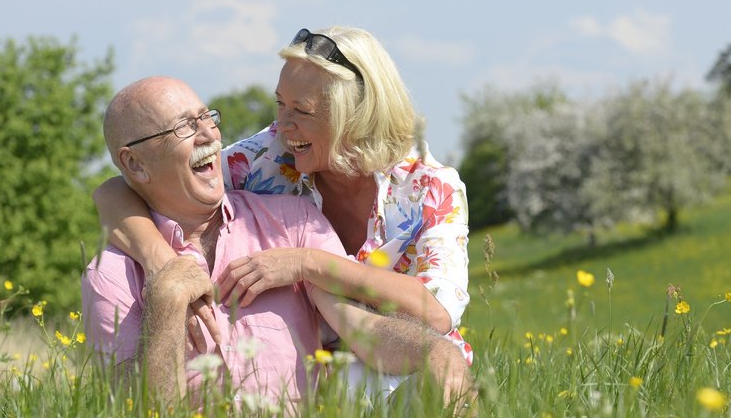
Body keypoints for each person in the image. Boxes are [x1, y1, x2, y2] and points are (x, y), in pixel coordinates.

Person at [93, 26, 473, 384]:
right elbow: (128, 188)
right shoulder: (268, 158)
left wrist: (307, 263)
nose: (283, 124)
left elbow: (437, 311)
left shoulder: (431, 188)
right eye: (280, 104)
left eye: (302, 111)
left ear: (355, 114)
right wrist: (165, 265)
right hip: (319, 374)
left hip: (402, 358)